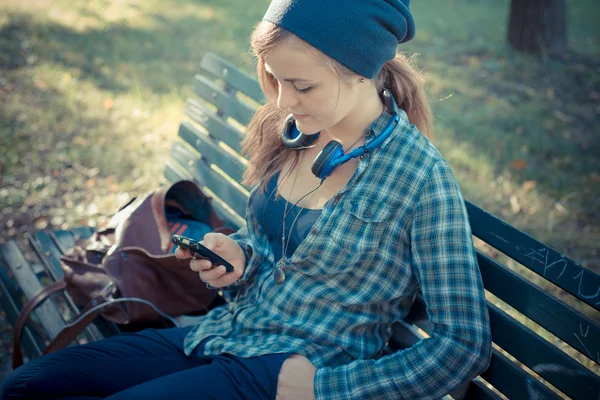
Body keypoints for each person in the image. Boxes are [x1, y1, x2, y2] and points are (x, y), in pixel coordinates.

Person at [0, 0, 492, 398]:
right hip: (228, 331)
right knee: (25, 387)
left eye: (301, 84)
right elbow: (266, 244)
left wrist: (325, 389)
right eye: (274, 78)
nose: (282, 101)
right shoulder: (296, 131)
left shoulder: (420, 179)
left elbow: (463, 346)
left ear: (363, 70)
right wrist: (239, 259)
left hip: (292, 372)